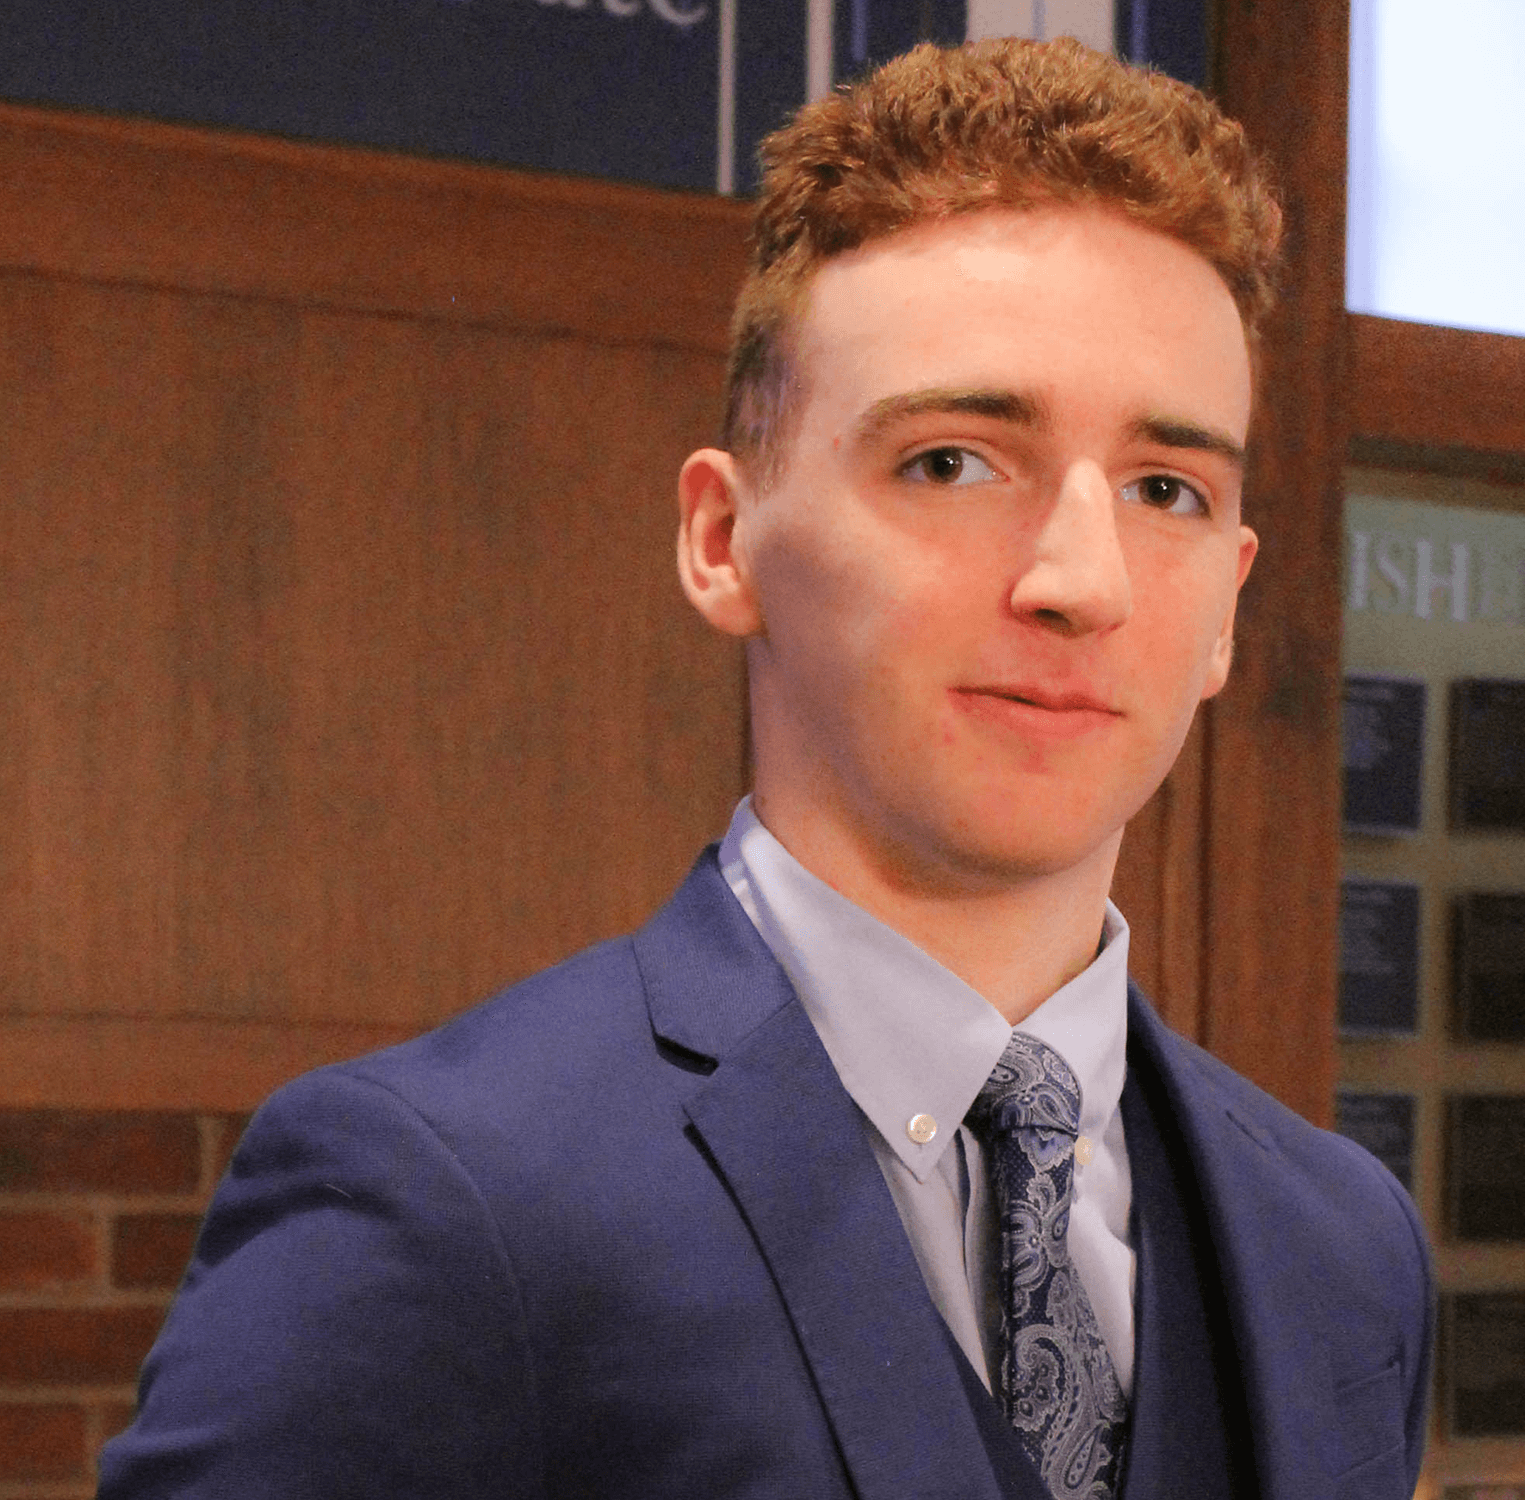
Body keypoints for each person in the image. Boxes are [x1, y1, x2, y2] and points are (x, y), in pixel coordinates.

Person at [99, 38, 1431, 1500]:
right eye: (952, 461)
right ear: (722, 541)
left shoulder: (1345, 1246)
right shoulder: (440, 1197)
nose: (1081, 577)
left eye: (1165, 489)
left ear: (1233, 602)